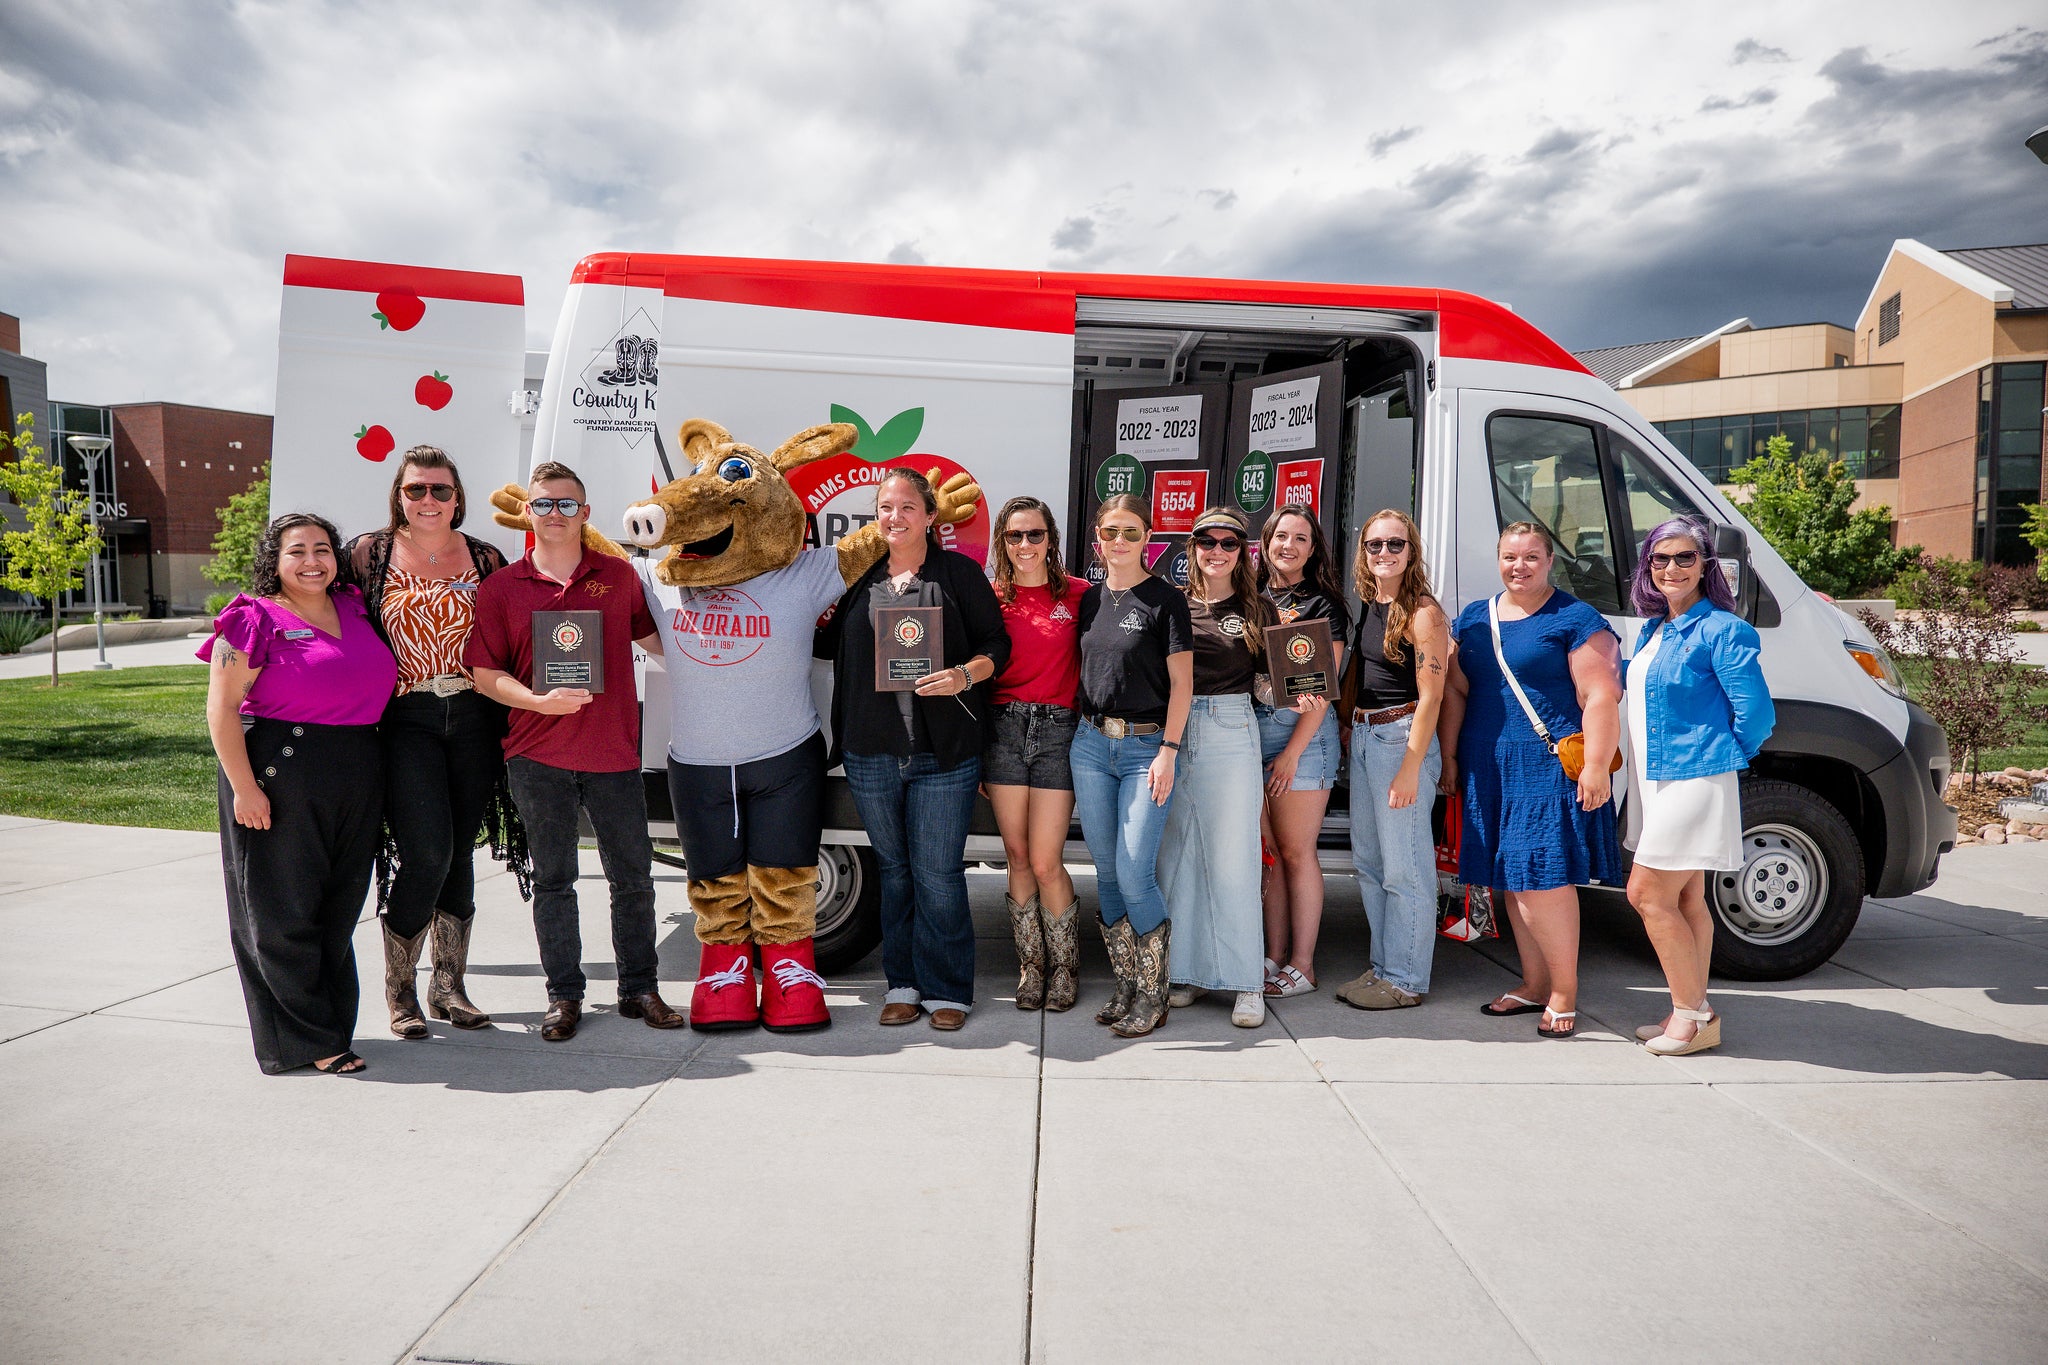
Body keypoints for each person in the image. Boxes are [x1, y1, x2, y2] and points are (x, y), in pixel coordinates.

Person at [464, 462, 677, 1043]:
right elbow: (485, 674)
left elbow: (657, 640)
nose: (554, 514)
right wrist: (536, 700)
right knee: (555, 880)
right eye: (543, 504)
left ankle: (640, 987)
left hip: (613, 753)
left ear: (585, 514)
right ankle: (563, 996)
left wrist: (713, 654)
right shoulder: (501, 588)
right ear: (528, 513)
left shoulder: (620, 576)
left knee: (632, 878)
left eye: (566, 505)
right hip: (537, 756)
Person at [201, 512, 397, 1075]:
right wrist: (244, 788)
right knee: (281, 907)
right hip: (279, 768)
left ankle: (328, 1023)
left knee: (338, 906)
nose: (312, 561)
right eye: (296, 551)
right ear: (275, 560)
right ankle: (307, 1040)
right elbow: (221, 710)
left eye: (322, 549)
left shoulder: (355, 607)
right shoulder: (250, 619)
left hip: (357, 764)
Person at [344, 445, 526, 1041]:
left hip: (475, 714)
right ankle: (399, 991)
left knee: (461, 851)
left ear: (458, 498)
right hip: (406, 716)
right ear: (399, 495)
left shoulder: (484, 556)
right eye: (416, 489)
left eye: (440, 490)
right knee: (427, 852)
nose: (428, 500)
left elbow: (517, 629)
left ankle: (448, 986)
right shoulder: (368, 555)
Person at [824, 468, 1010, 1032]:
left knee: (939, 875)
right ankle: (902, 984)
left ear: (931, 517)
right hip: (870, 752)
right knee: (896, 872)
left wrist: (962, 676)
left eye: (907, 507)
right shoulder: (861, 579)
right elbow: (823, 643)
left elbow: (995, 645)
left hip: (943, 754)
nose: (894, 517)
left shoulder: (959, 575)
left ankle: (948, 989)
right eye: (885, 507)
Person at [1439, 521, 1624, 1038]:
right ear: (1497, 559)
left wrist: (1595, 767)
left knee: (1540, 881)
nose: (1518, 566)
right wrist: (1449, 758)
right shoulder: (1474, 620)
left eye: (1531, 557)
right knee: (1512, 883)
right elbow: (1455, 692)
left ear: (1549, 561)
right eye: (1509, 556)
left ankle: (1564, 990)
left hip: (1545, 768)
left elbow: (1601, 697)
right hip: (1487, 767)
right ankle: (1533, 983)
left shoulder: (1575, 617)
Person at [1624, 516, 1774, 1057]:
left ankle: (1692, 1015)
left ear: (1706, 565)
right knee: (1686, 898)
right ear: (1648, 567)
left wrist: (1723, 758)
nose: (1672, 568)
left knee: (1646, 893)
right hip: (1656, 780)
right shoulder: (1655, 628)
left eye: (1685, 557)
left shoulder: (1722, 629)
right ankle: (1691, 1008)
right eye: (1660, 559)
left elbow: (1756, 712)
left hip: (1695, 777)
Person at [1071, 493, 1193, 1039]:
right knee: (1106, 872)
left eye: (1131, 533)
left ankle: (1154, 991)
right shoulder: (1088, 601)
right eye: (1110, 532)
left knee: (1134, 872)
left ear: (1149, 539)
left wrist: (1168, 750)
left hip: (1147, 749)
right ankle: (1125, 985)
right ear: (1097, 539)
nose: (1119, 542)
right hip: (1091, 746)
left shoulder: (1166, 601)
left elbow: (1183, 686)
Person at [1334, 510, 1452, 1012]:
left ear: (1411, 551)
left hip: (1400, 739)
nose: (1384, 553)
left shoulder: (1423, 612)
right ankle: (1384, 968)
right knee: (1370, 862)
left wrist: (1411, 765)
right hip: (1365, 738)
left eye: (1395, 545)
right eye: (1374, 545)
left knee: (1406, 868)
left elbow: (1432, 697)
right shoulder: (1375, 602)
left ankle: (1404, 979)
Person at [1160, 507, 1273, 1028]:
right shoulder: (1172, 603)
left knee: (1233, 857)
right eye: (1208, 541)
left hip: (1230, 726)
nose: (1218, 551)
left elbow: (1272, 683)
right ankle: (1185, 972)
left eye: (1230, 544)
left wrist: (1299, 695)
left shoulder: (1259, 608)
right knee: (1177, 855)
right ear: (1193, 546)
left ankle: (1247, 981)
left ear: (1243, 552)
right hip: (1174, 733)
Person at [985, 495, 1084, 1013]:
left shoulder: (1080, 595)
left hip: (1059, 733)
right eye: (1014, 536)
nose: (1025, 545)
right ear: (1002, 541)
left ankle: (1065, 968)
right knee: (1017, 856)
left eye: (1035, 535)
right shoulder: (991, 598)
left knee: (1047, 861)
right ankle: (1032, 967)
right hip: (1002, 731)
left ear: (1052, 540)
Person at [1254, 505, 1349, 999]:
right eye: (1281, 536)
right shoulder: (1250, 597)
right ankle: (1273, 956)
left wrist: (1291, 753)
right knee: (1269, 854)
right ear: (1266, 541)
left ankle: (1303, 964)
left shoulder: (1323, 605)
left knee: (1296, 851)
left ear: (1313, 550)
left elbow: (1321, 690)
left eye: (1300, 538)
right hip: (1253, 733)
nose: (1288, 545)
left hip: (1303, 739)